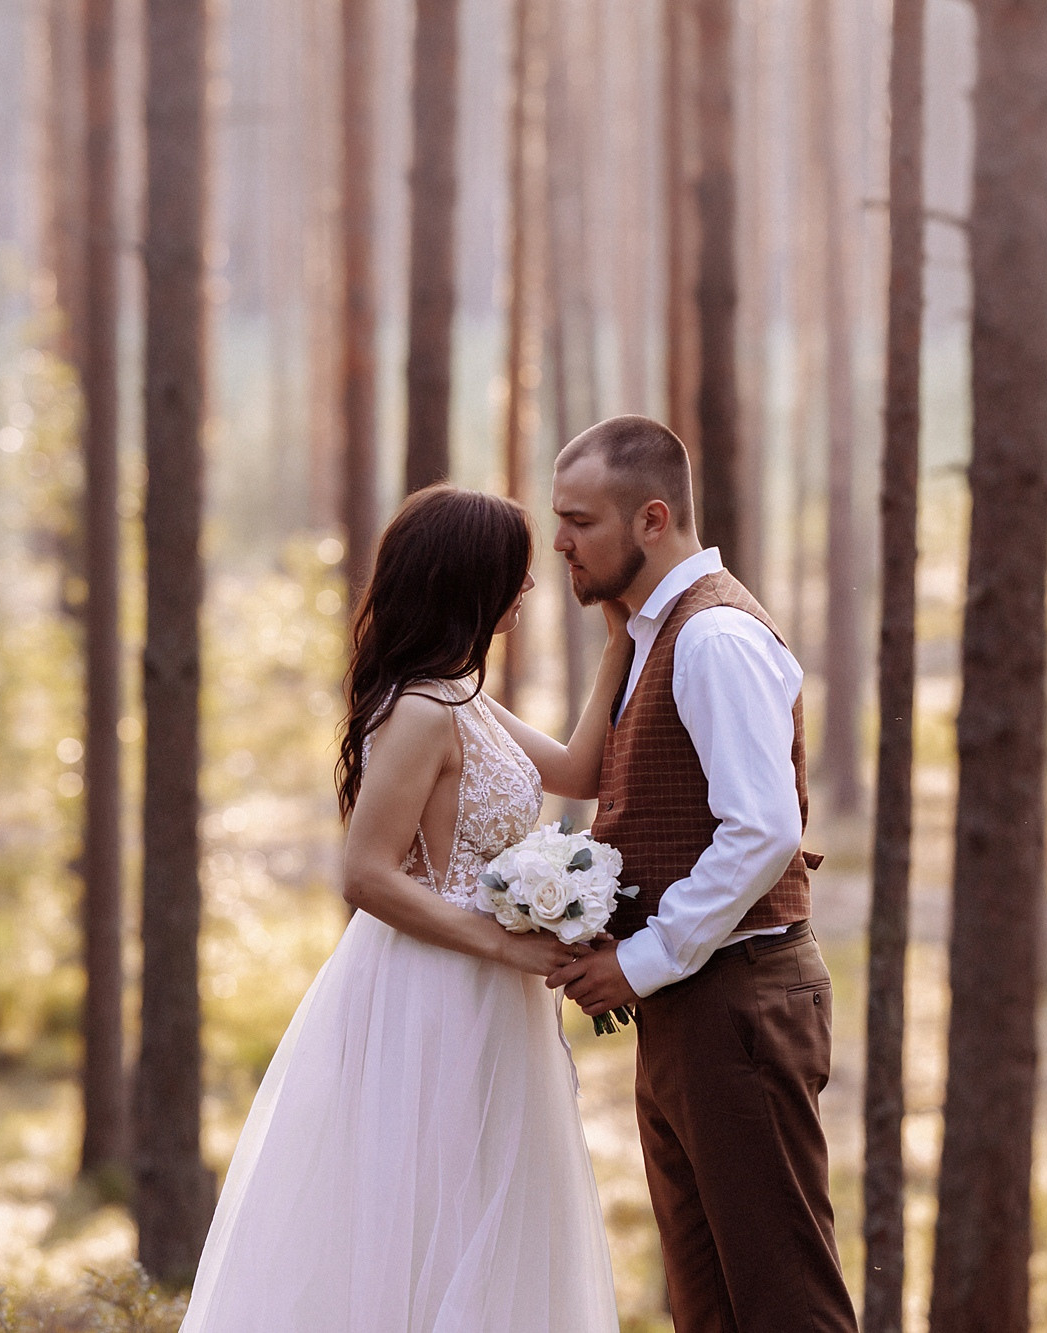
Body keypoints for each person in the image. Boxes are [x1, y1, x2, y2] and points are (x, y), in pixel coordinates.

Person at [178, 484, 631, 1332]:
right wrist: (508, 945)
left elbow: (578, 770)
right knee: (427, 1205)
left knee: (490, 1209)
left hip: (493, 995)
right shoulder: (422, 710)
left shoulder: (464, 697)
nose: (529, 587)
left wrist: (618, 641)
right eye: (516, 572)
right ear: (472, 580)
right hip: (432, 992)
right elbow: (368, 876)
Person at [545, 416, 859, 1333]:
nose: (559, 540)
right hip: (699, 1007)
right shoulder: (652, 635)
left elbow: (762, 828)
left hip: (740, 1005)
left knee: (787, 1308)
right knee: (710, 1311)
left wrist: (640, 960)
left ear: (651, 519)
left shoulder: (713, 633)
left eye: (579, 520)